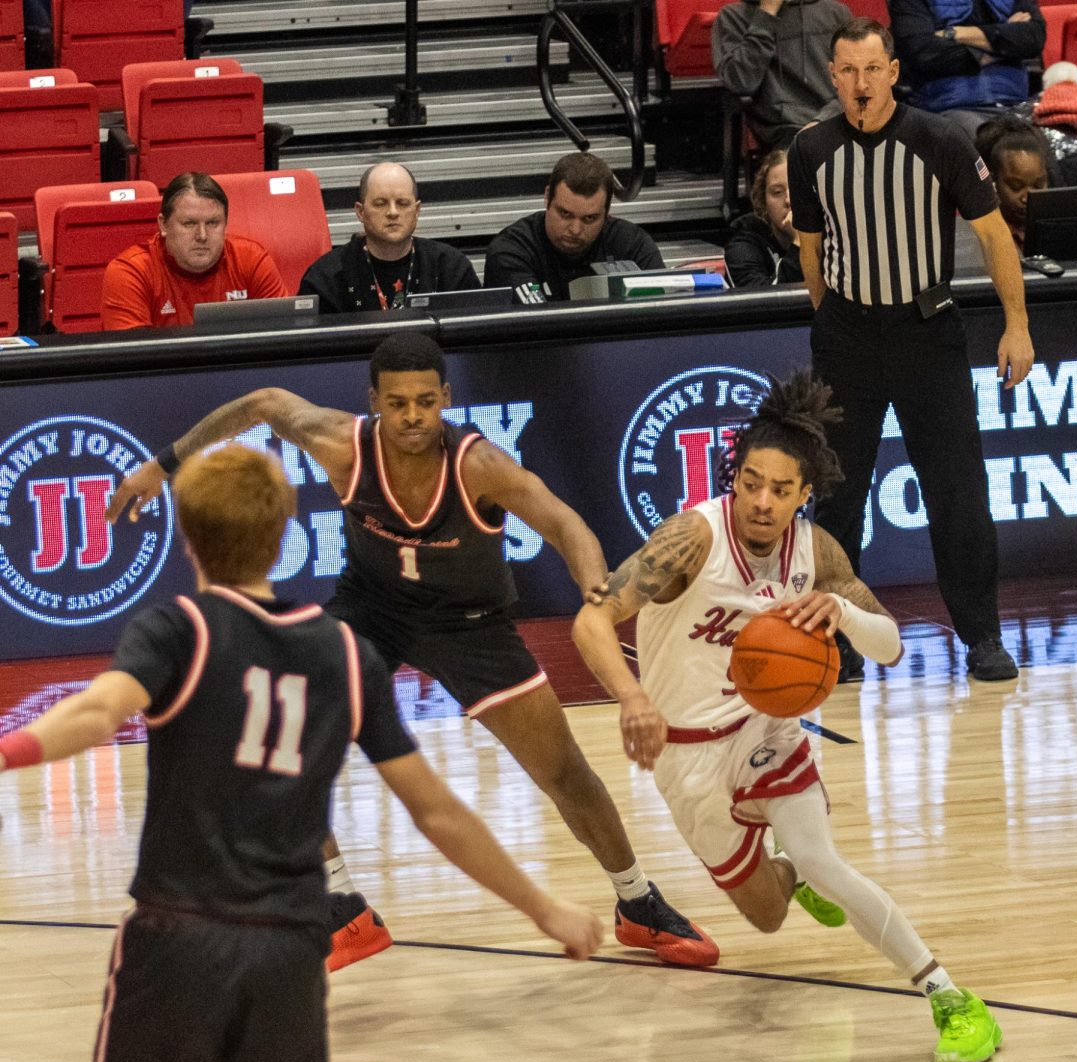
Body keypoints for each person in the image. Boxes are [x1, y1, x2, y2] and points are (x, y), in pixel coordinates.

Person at [0, 444, 601, 1062]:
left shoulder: (177, 630)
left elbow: (95, 715)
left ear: (187, 539)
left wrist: (8, 752)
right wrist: (544, 908)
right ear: (286, 534)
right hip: (285, 957)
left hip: (176, 941)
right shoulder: (344, 654)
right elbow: (436, 813)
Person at [106, 332, 718, 972]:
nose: (412, 416)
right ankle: (345, 909)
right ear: (374, 402)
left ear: (446, 398)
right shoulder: (343, 444)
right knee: (273, 739)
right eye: (397, 403)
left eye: (426, 401)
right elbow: (262, 402)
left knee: (565, 771)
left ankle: (636, 903)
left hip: (469, 624)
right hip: (373, 609)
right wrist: (161, 464)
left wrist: (592, 585)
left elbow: (565, 523)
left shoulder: (479, 464)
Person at [572, 372, 1004, 1062]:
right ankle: (788, 874)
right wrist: (633, 697)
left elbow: (890, 645)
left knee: (824, 861)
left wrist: (844, 613)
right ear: (734, 479)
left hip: (764, 732)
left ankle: (951, 997)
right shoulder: (689, 540)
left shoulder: (817, 553)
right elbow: (593, 619)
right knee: (767, 915)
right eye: (750, 483)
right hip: (686, 759)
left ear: (806, 494)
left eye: (780, 489)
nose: (762, 502)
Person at [789, 18, 1035, 681]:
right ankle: (839, 642)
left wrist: (1017, 324)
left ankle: (982, 637)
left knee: (958, 493)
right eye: (848, 71)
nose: (861, 83)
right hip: (847, 340)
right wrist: (838, 317)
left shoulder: (940, 139)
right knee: (838, 500)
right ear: (833, 75)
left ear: (893, 73)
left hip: (928, 335)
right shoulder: (810, 150)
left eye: (873, 70)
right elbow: (810, 252)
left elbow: (992, 236)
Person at [100, 172, 288, 331]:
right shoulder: (130, 273)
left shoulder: (251, 260)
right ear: (163, 225)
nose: (202, 235)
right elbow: (133, 364)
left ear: (226, 224)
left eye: (212, 223)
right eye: (189, 224)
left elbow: (286, 339)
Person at [299, 162, 480, 313]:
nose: (392, 212)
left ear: (417, 211)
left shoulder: (451, 268)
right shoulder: (327, 277)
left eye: (402, 204)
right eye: (380, 204)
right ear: (360, 212)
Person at [483, 152, 664, 302]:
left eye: (590, 218)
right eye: (565, 214)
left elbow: (662, 307)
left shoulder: (631, 244)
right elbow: (536, 323)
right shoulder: (512, 251)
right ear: (547, 197)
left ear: (608, 211)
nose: (575, 229)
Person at [889, 0, 1046, 137]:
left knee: (1056, 148)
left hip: (1017, 103)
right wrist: (1004, 40)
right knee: (990, 150)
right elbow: (923, 51)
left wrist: (954, 33)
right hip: (952, 106)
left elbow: (1034, 37)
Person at [712, 0, 852, 151]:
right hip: (785, 132)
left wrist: (822, 121)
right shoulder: (733, 17)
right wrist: (766, 15)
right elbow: (740, 82)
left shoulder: (835, 12)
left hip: (838, 120)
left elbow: (856, 82)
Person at [724, 149, 805, 288]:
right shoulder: (741, 249)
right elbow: (769, 305)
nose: (789, 200)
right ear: (763, 202)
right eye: (778, 192)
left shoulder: (834, 237)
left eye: (798, 188)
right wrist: (799, 243)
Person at [975, 114, 1052, 252]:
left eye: (1038, 186)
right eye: (1016, 187)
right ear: (992, 181)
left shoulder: (1057, 226)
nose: (1026, 198)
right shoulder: (975, 235)